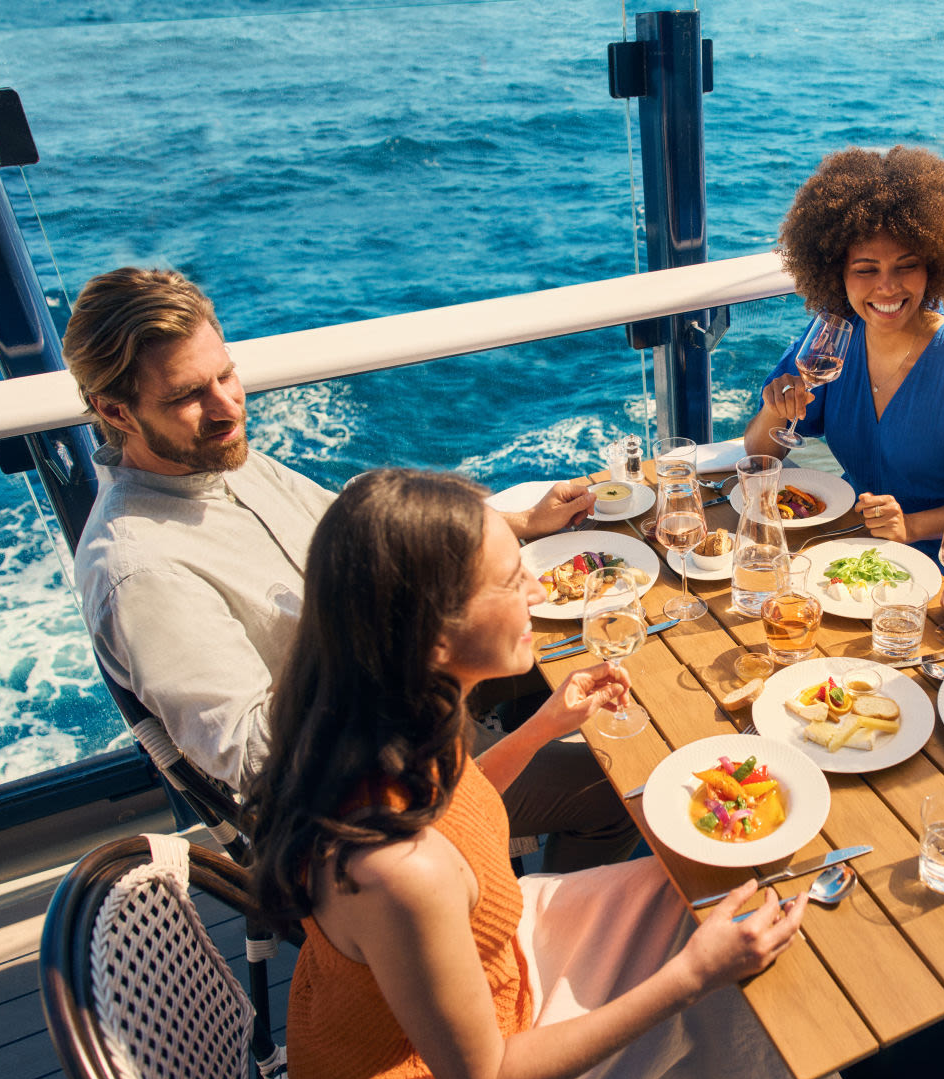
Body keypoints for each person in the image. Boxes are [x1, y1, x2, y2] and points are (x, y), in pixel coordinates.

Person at [64, 267, 637, 872]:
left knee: (594, 640)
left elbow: (369, 541)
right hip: (367, 791)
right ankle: (518, 928)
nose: (226, 406)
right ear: (116, 412)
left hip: (413, 696)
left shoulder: (219, 459)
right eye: (186, 396)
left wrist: (519, 524)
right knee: (620, 790)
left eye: (226, 375)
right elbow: (261, 756)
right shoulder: (139, 571)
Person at [247, 469, 805, 1079]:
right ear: (434, 637)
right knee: (763, 1013)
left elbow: (453, 812)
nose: (539, 592)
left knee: (722, 888)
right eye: (514, 581)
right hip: (466, 1053)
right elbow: (486, 1072)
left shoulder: (384, 719)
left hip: (499, 955)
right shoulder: (401, 873)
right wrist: (692, 977)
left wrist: (540, 727)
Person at [743, 145, 944, 583]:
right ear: (836, 274)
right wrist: (775, 409)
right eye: (866, 269)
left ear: (935, 267)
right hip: (860, 554)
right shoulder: (831, 341)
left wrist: (913, 525)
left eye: (907, 266)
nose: (887, 287)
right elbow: (759, 453)